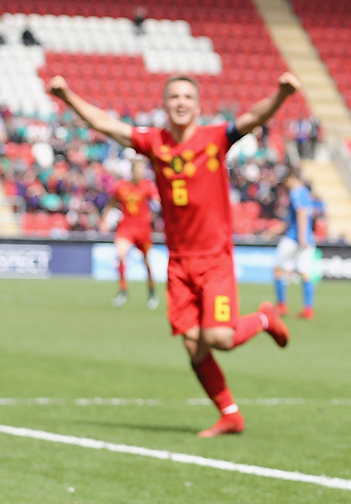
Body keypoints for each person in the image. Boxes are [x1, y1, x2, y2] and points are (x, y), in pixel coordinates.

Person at [48, 71, 301, 437]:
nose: (180, 103)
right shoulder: (154, 143)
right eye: (174, 98)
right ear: (165, 106)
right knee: (194, 346)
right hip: (179, 262)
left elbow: (255, 117)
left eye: (187, 97)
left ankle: (264, 317)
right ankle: (230, 414)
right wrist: (68, 95)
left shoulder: (215, 138)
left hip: (214, 258)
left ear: (197, 106)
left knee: (218, 339)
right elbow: (105, 124)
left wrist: (281, 94)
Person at [104, 157, 159, 309]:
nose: (141, 172)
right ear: (132, 171)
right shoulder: (121, 186)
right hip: (126, 228)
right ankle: (123, 291)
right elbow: (111, 202)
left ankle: (152, 291)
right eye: (139, 169)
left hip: (143, 230)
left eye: (143, 170)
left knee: (147, 263)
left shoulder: (147, 186)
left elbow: (157, 202)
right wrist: (105, 219)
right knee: (120, 255)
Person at [268, 170, 319, 320]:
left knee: (278, 269)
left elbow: (301, 213)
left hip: (294, 237)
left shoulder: (296, 193)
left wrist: (301, 236)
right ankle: (308, 309)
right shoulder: (306, 193)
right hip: (307, 238)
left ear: (291, 178)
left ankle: (282, 306)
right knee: (305, 273)